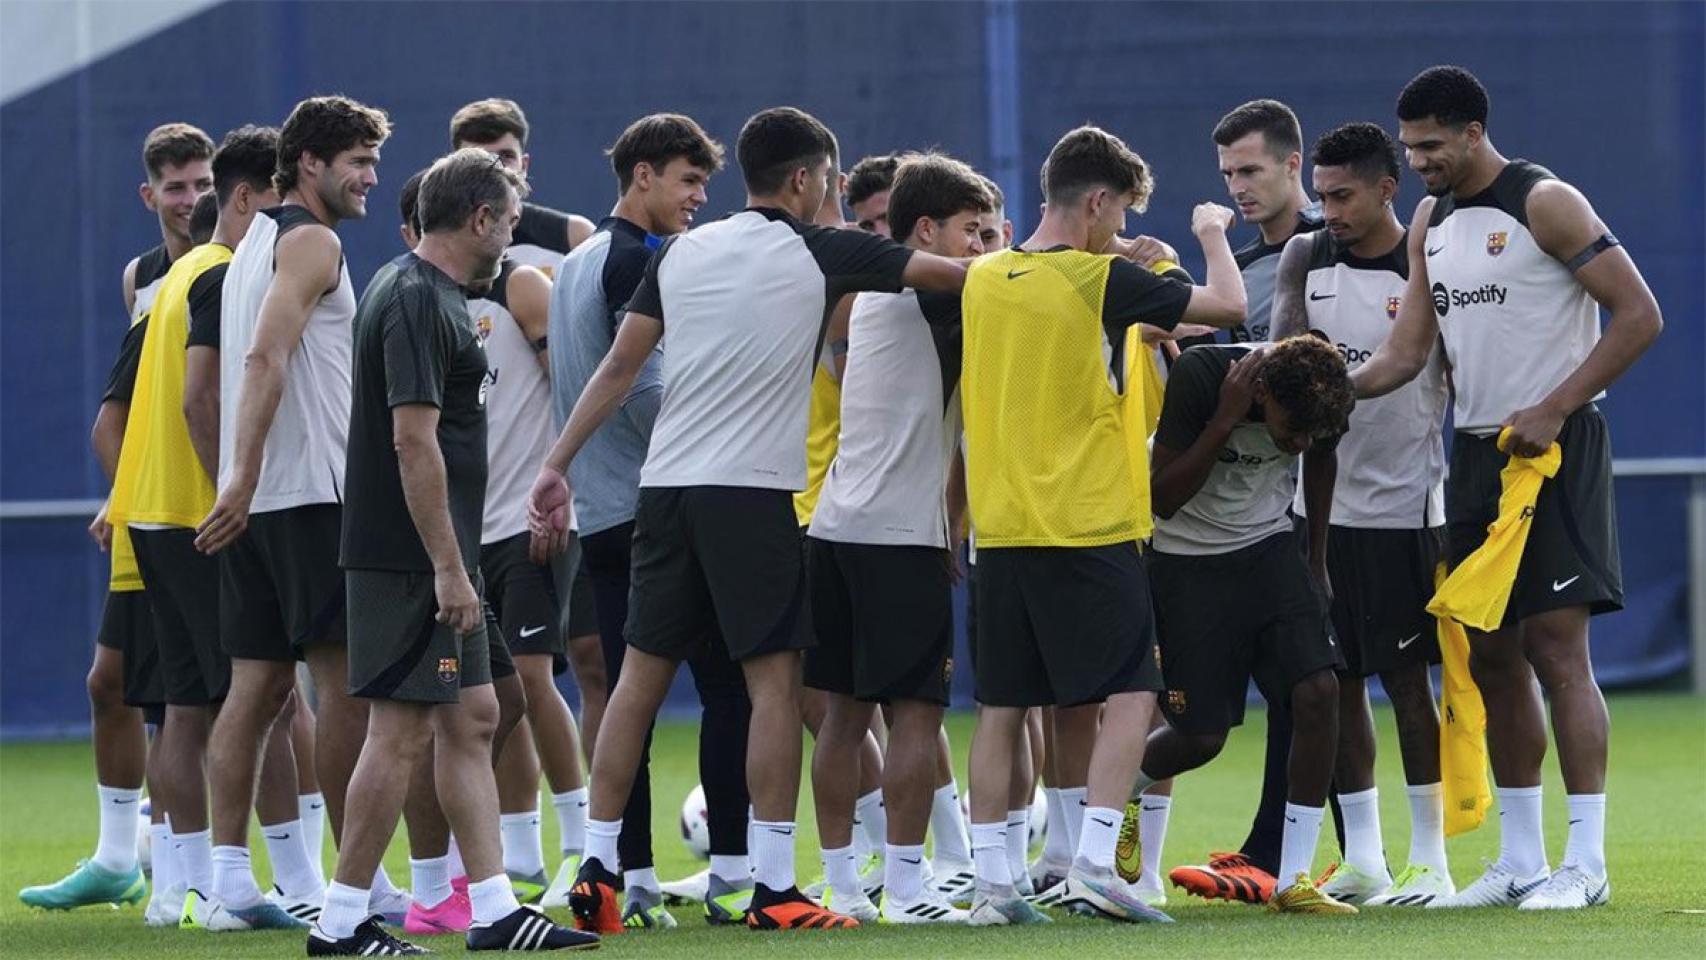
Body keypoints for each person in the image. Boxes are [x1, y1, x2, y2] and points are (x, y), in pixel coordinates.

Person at [529, 105, 967, 931]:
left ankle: (598, 868)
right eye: (832, 183)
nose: (835, 196)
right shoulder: (823, 248)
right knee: (776, 686)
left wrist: (555, 465)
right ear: (807, 180)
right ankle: (774, 886)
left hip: (664, 494)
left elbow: (622, 365)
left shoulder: (684, 250)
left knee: (635, 685)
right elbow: (964, 280)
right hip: (750, 495)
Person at [1355, 65, 1661, 910]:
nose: (1418, 162)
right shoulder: (1429, 221)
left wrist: (1556, 407)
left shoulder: (1546, 201)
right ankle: (1521, 860)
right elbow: (1406, 356)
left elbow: (1640, 314)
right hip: (1476, 454)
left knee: (1558, 650)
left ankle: (1586, 864)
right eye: (1410, 147)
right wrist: (1320, 387)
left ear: (1474, 132)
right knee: (1491, 655)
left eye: (1431, 146)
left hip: (1556, 448)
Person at [958, 124, 1245, 925]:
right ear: (1096, 201)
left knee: (1004, 707)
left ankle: (992, 887)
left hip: (1003, 525)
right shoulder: (1097, 279)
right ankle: (1092, 866)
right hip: (1087, 521)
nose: (1119, 229)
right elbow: (1230, 306)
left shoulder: (983, 275)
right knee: (1131, 695)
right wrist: (1209, 236)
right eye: (1117, 215)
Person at [312, 149, 596, 956]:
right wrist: (445, 567)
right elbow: (411, 441)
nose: (511, 237)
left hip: (440, 559)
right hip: (411, 563)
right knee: (398, 734)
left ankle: (497, 912)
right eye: (507, 221)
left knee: (477, 713)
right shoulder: (413, 299)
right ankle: (339, 925)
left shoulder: (429, 293)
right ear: (479, 220)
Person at [194, 96, 413, 924]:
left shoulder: (249, 240)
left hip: (263, 505)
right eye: (356, 161)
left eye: (373, 161)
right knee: (344, 694)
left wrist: (238, 481)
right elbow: (263, 355)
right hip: (309, 499)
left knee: (252, 693)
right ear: (310, 164)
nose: (370, 177)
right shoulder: (312, 240)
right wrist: (242, 476)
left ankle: (226, 885)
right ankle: (352, 882)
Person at [547, 112, 754, 929]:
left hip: (604, 513)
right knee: (728, 688)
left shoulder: (576, 261)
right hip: (657, 512)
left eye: (705, 181)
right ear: (641, 175)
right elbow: (639, 387)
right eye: (688, 180)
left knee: (624, 700)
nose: (701, 196)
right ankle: (733, 875)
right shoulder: (635, 259)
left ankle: (629, 879)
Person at [18, 122, 213, 918]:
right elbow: (131, 409)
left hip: (205, 512)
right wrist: (127, 494)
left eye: (202, 183)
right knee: (112, 684)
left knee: (237, 695)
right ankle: (119, 856)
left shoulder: (236, 266)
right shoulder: (141, 276)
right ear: (149, 195)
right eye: (176, 186)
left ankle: (257, 872)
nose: (190, 198)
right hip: (151, 513)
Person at [1269, 121, 1454, 906]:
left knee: (1409, 684)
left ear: (1388, 188)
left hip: (1405, 507)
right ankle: (1367, 860)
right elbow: (1277, 359)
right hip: (1316, 510)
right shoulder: (1305, 257)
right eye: (1321, 196)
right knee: (1336, 683)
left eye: (1343, 195)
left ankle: (1433, 862)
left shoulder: (1426, 268)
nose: (1330, 210)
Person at [805, 153, 991, 925]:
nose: (983, 248)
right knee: (915, 716)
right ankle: (910, 889)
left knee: (845, 719)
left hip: (833, 529)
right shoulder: (945, 301)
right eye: (972, 232)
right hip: (897, 541)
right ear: (925, 231)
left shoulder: (863, 298)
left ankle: (842, 884)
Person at [1168, 98, 1331, 905]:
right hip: (1239, 514)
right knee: (1251, 709)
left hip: (1351, 500)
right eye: (1228, 172)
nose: (1238, 186)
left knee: (1334, 685)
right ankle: (1276, 852)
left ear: (1294, 165)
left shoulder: (1336, 250)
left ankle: (1316, 855)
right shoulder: (1234, 274)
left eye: (1253, 170)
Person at [1137, 334, 1357, 914]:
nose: (1300, 442)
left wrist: (1316, 560)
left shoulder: (1320, 389)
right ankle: (1121, 799)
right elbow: (1161, 499)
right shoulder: (1206, 376)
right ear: (1260, 391)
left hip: (1267, 546)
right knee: (1201, 738)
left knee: (1318, 691)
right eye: (1292, 431)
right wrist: (1224, 420)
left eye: (1312, 432)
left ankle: (1293, 877)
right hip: (1185, 558)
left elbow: (1323, 457)